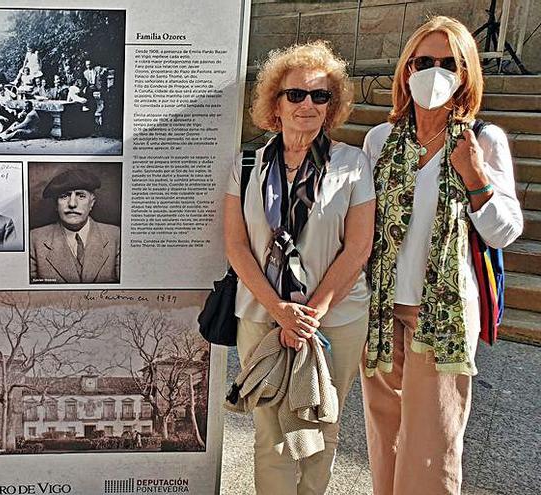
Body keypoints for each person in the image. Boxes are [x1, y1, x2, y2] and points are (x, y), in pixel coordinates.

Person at [361, 16, 522, 495]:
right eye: (423, 61)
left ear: (467, 72)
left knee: (432, 451)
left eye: (448, 63)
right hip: (384, 311)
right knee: (384, 440)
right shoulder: (381, 141)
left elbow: (504, 232)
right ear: (406, 69)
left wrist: (476, 179)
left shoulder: (483, 140)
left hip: (444, 317)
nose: (435, 71)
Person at [223, 41, 374, 494]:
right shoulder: (247, 165)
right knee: (271, 434)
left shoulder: (352, 164)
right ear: (276, 101)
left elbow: (358, 246)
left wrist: (309, 316)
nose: (307, 104)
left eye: (320, 96)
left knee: (320, 428)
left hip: (336, 320)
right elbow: (236, 246)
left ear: (332, 105)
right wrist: (281, 311)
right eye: (296, 94)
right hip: (262, 318)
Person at [30, 168, 120, 284]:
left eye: (81, 196)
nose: (72, 204)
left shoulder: (115, 236)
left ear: (91, 202)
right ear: (55, 205)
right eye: (64, 196)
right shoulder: (34, 239)